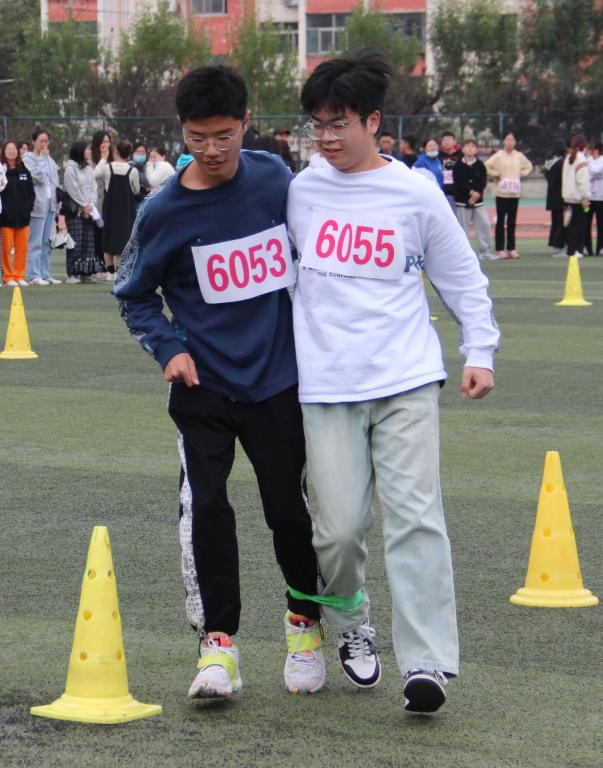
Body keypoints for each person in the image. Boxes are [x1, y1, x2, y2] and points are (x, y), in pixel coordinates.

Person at [288, 51, 499, 714]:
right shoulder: (300, 191)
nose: (325, 137)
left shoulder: (414, 192)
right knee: (338, 531)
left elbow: (461, 277)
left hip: (406, 379)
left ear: (373, 122)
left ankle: (427, 663)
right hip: (325, 386)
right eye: (317, 125)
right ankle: (351, 622)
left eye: (338, 124)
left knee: (416, 519)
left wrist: (480, 350)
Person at [114, 65, 324, 700]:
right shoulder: (161, 211)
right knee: (207, 508)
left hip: (278, 383)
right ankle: (218, 646)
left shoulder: (275, 178)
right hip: (202, 389)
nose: (212, 149)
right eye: (198, 137)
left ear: (246, 123)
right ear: (182, 130)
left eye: (225, 135)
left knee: (288, 509)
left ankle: (305, 624)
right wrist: (169, 349)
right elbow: (132, 293)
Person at [22, 127, 63, 285]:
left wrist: (57, 205)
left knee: (47, 242)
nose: (44, 144)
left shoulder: (49, 159)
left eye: (46, 141)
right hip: (37, 206)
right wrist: (41, 158)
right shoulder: (27, 159)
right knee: (35, 242)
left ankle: (45, 274)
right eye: (41, 141)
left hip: (50, 205)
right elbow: (37, 178)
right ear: (34, 142)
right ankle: (33, 275)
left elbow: (55, 181)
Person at [95, 140, 140, 280]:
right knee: (123, 240)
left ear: (116, 152)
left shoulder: (107, 168)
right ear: (129, 154)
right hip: (126, 209)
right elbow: (136, 189)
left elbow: (95, 174)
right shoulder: (133, 171)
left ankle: (110, 272)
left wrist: (103, 158)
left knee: (108, 239)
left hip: (110, 208)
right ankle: (119, 273)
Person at [484, 132, 533, 259]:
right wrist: (496, 174)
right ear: (504, 141)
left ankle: (512, 248)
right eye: (507, 139)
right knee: (501, 221)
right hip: (502, 193)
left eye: (512, 140)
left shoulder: (519, 156)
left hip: (514, 193)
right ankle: (500, 249)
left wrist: (522, 173)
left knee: (512, 221)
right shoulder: (499, 156)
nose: (510, 142)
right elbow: (486, 166)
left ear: (515, 142)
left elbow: (529, 166)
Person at [62, 141, 100, 284]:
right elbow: (73, 190)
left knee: (88, 243)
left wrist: (91, 205)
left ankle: (85, 272)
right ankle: (72, 273)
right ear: (80, 151)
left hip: (88, 211)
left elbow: (94, 188)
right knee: (75, 243)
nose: (89, 151)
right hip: (75, 212)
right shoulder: (70, 170)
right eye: (87, 149)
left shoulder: (89, 169)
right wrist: (84, 205)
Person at [453, 138, 496, 260]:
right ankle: (464, 253)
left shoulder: (480, 165)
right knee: (463, 228)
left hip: (478, 202)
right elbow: (459, 182)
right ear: (462, 149)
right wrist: (471, 193)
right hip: (462, 201)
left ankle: (485, 251)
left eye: (472, 146)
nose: (470, 149)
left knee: (484, 224)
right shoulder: (458, 165)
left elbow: (482, 181)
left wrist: (477, 194)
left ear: (476, 149)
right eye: (467, 146)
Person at [1, 141, 35, 286]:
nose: (11, 151)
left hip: (23, 217)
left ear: (18, 151)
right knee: (6, 249)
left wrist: (28, 209)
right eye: (8, 149)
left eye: (14, 149)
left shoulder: (24, 170)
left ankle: (19, 275)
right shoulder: (1, 170)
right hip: (5, 218)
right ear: (3, 152)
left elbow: (31, 193)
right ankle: (8, 276)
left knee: (22, 249)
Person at [561, 134, 590, 259]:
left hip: (568, 197)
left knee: (570, 225)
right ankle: (576, 250)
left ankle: (570, 249)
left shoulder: (568, 158)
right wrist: (586, 196)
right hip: (578, 199)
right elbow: (583, 181)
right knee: (579, 226)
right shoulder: (581, 159)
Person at [90, 130, 114, 280]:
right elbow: (95, 174)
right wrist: (103, 159)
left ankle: (108, 266)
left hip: (109, 202)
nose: (106, 145)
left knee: (107, 234)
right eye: (103, 142)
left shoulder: (112, 159)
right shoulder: (92, 160)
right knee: (96, 234)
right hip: (95, 203)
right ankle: (97, 266)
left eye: (108, 142)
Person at [544, 145, 567, 257]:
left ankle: (553, 242)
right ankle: (558, 245)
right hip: (560, 196)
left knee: (555, 221)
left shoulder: (548, 162)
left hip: (551, 195)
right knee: (560, 222)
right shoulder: (560, 163)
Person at [585, 142, 602, 256]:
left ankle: (601, 248)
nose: (592, 152)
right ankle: (587, 247)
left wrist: (590, 161)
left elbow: (595, 170)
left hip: (601, 198)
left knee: (601, 224)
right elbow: (588, 175)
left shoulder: (601, 159)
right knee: (586, 223)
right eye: (591, 150)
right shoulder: (587, 160)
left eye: (594, 150)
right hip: (589, 198)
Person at [439, 131, 462, 214]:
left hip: (460, 190)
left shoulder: (461, 155)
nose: (446, 142)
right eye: (444, 140)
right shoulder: (438, 156)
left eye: (449, 139)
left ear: (454, 141)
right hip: (444, 190)